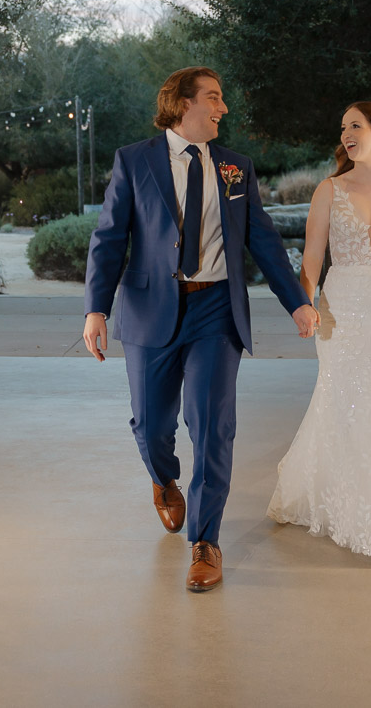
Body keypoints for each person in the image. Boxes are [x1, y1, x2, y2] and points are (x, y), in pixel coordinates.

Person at [83, 67, 318, 592]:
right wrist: (96, 308)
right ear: (182, 103)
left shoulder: (236, 167)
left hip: (216, 309)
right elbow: (108, 238)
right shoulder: (134, 160)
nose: (223, 108)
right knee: (150, 424)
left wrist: (298, 303)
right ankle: (162, 478)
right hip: (150, 308)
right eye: (213, 97)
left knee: (213, 424)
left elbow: (263, 240)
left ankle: (205, 541)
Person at [267, 102, 371, 564]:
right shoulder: (329, 190)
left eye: (355, 125)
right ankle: (349, 507)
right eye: (343, 126)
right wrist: (303, 305)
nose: (346, 133)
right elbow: (312, 258)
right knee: (345, 402)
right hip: (342, 310)